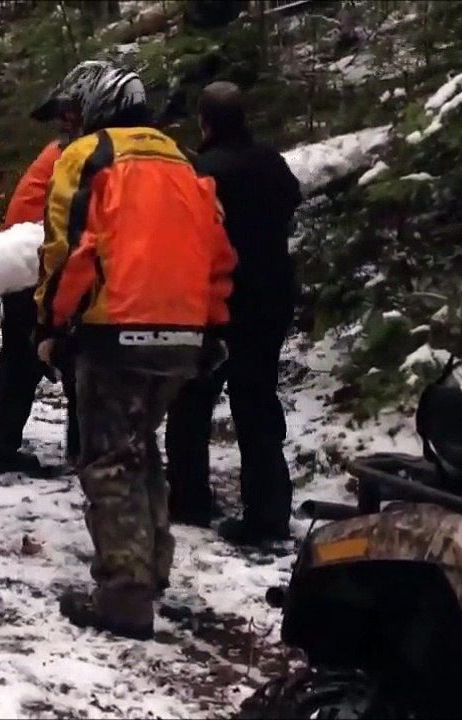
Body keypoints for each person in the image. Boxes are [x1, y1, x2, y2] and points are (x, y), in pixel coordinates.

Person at [35, 62, 237, 640]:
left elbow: (69, 249)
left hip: (114, 327)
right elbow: (218, 254)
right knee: (142, 450)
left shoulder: (89, 157)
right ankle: (151, 568)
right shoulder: (186, 162)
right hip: (184, 332)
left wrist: (48, 321)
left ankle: (125, 594)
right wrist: (213, 326)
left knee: (108, 459)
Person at [165, 81, 303, 546]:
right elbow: (291, 201)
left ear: (204, 123)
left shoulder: (203, 172)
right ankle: (268, 511)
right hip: (273, 297)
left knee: (192, 400)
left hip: (221, 303)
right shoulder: (272, 162)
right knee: (258, 402)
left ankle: (190, 497)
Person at [0, 88, 83, 478]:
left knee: (27, 360)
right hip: (35, 263)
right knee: (34, 359)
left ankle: (1, 446)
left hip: (29, 261)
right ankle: (1, 449)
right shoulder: (76, 156)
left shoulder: (63, 152)